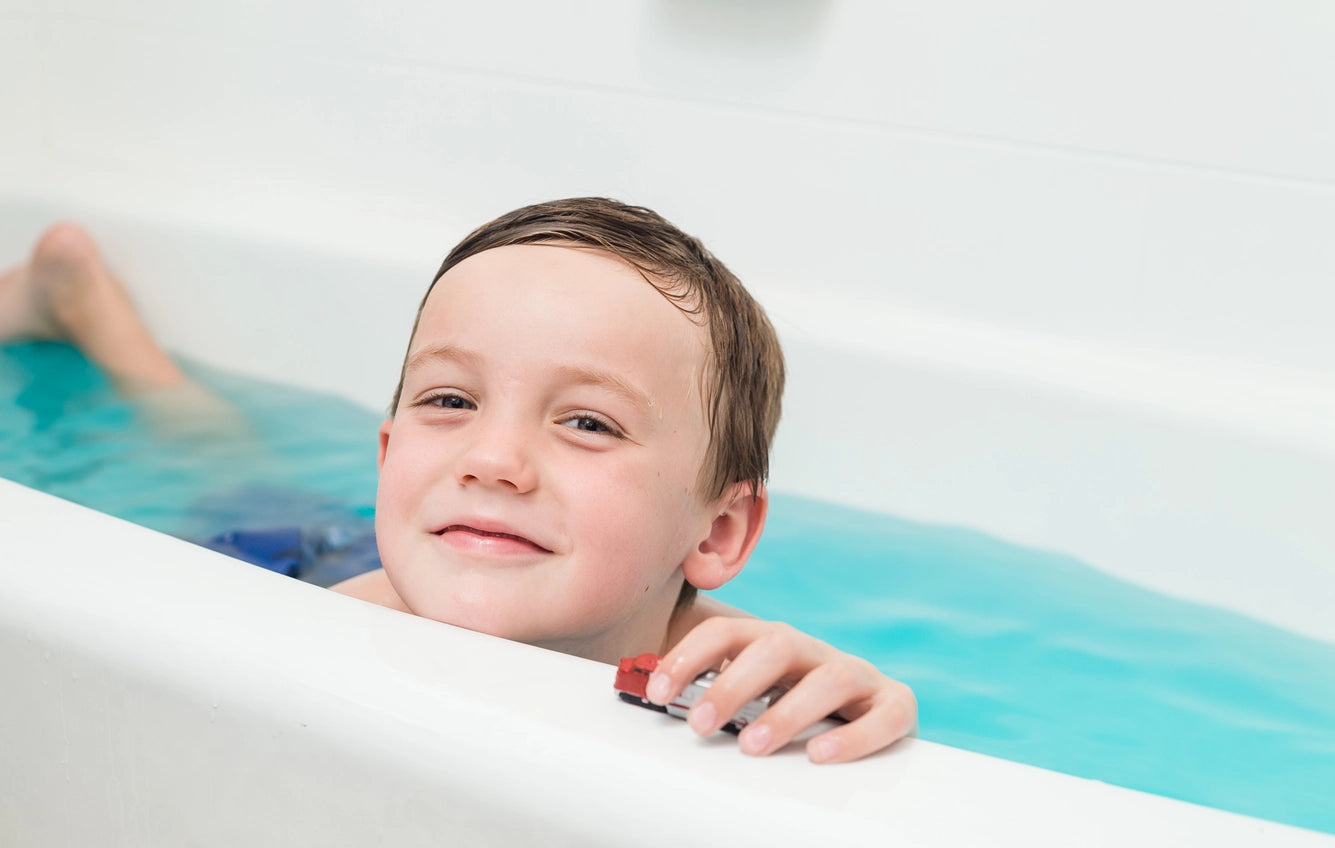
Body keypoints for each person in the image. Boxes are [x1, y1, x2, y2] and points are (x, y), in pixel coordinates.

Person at [0, 201, 917, 762]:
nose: (491, 460)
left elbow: (741, 662)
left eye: (587, 422)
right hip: (295, 566)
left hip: (453, 550)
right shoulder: (317, 636)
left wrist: (851, 697)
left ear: (715, 534)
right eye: (450, 399)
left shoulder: (701, 653)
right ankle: (88, 314)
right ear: (390, 456)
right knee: (214, 459)